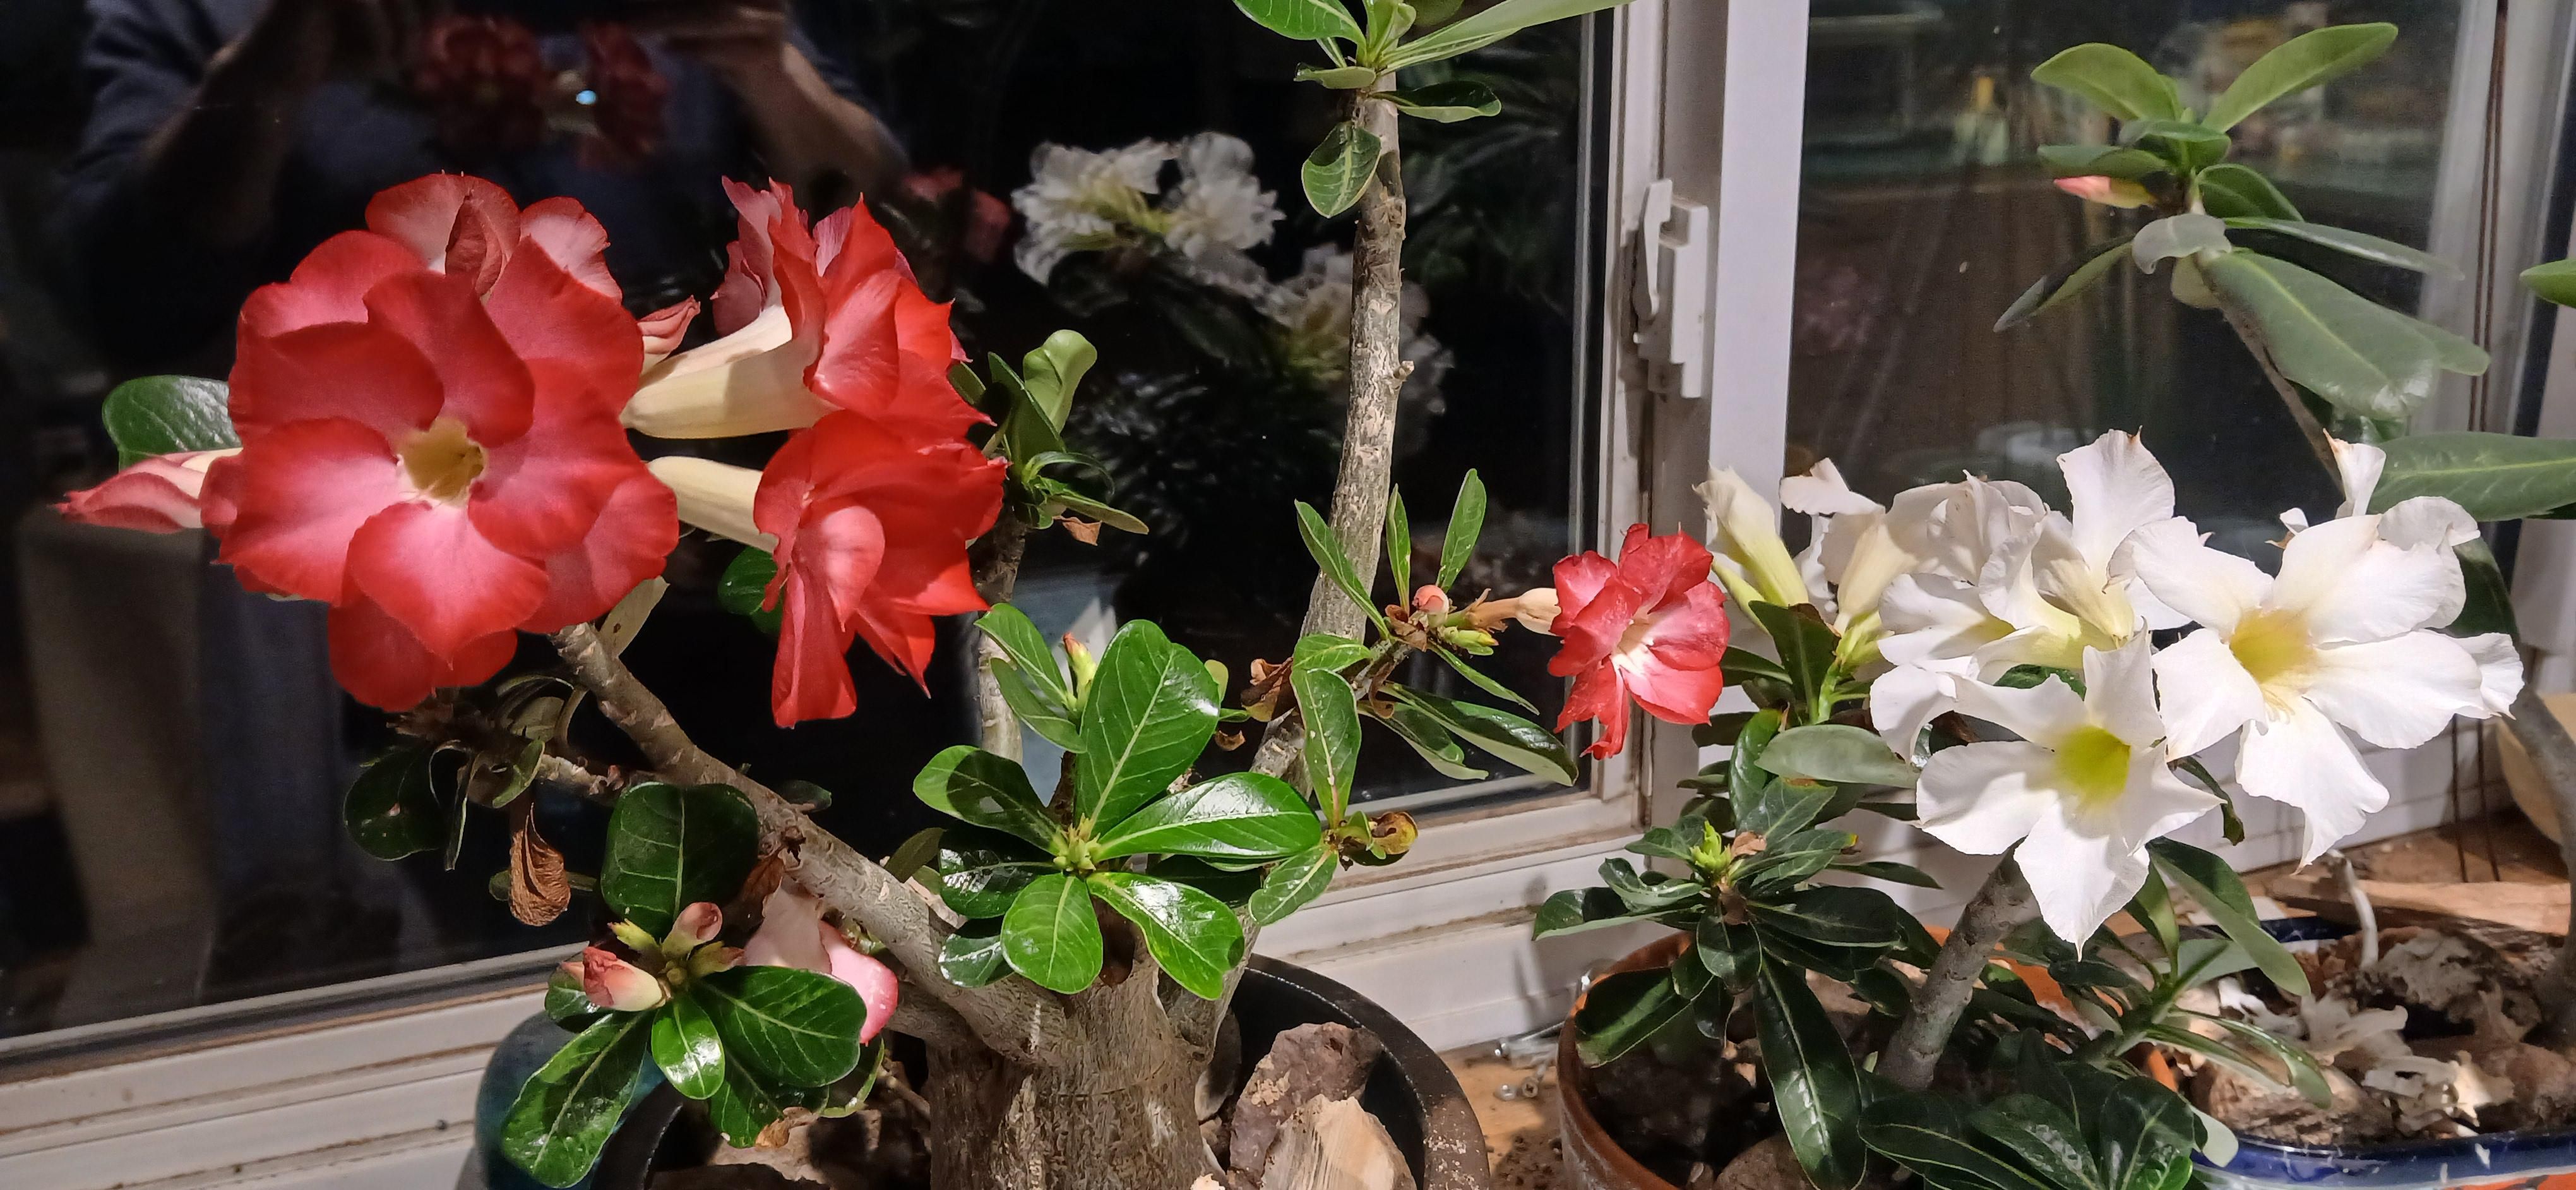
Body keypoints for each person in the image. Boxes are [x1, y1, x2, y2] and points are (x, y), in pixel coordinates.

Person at [52, 0, 903, 367]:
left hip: (695, 474)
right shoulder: (208, 15)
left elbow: (881, 212)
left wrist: (774, 70)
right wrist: (264, 83)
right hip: (381, 502)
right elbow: (131, 301)